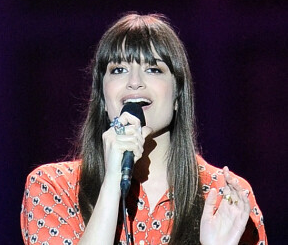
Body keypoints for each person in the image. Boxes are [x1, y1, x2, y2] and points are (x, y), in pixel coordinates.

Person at [21, 13, 267, 245]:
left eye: (153, 69)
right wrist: (112, 182)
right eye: (119, 70)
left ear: (178, 95)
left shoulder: (224, 196)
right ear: (103, 98)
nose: (135, 82)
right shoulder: (54, 186)